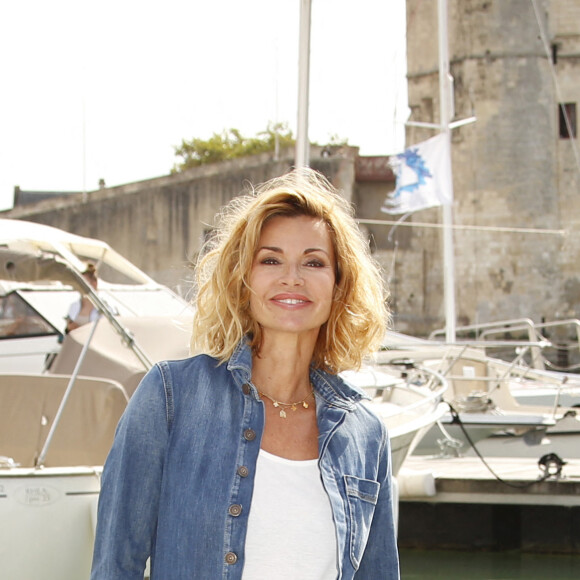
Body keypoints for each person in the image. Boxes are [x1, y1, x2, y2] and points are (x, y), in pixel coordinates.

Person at [90, 168, 400, 579]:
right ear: (242, 280)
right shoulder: (172, 397)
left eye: (314, 261)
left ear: (338, 286)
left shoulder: (365, 432)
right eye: (270, 259)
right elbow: (116, 566)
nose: (293, 276)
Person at [65, 263, 99, 332]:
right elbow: (66, 333)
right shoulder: (73, 306)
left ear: (94, 284)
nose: (81, 286)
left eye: (84, 283)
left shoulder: (104, 310)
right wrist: (69, 328)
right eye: (79, 283)